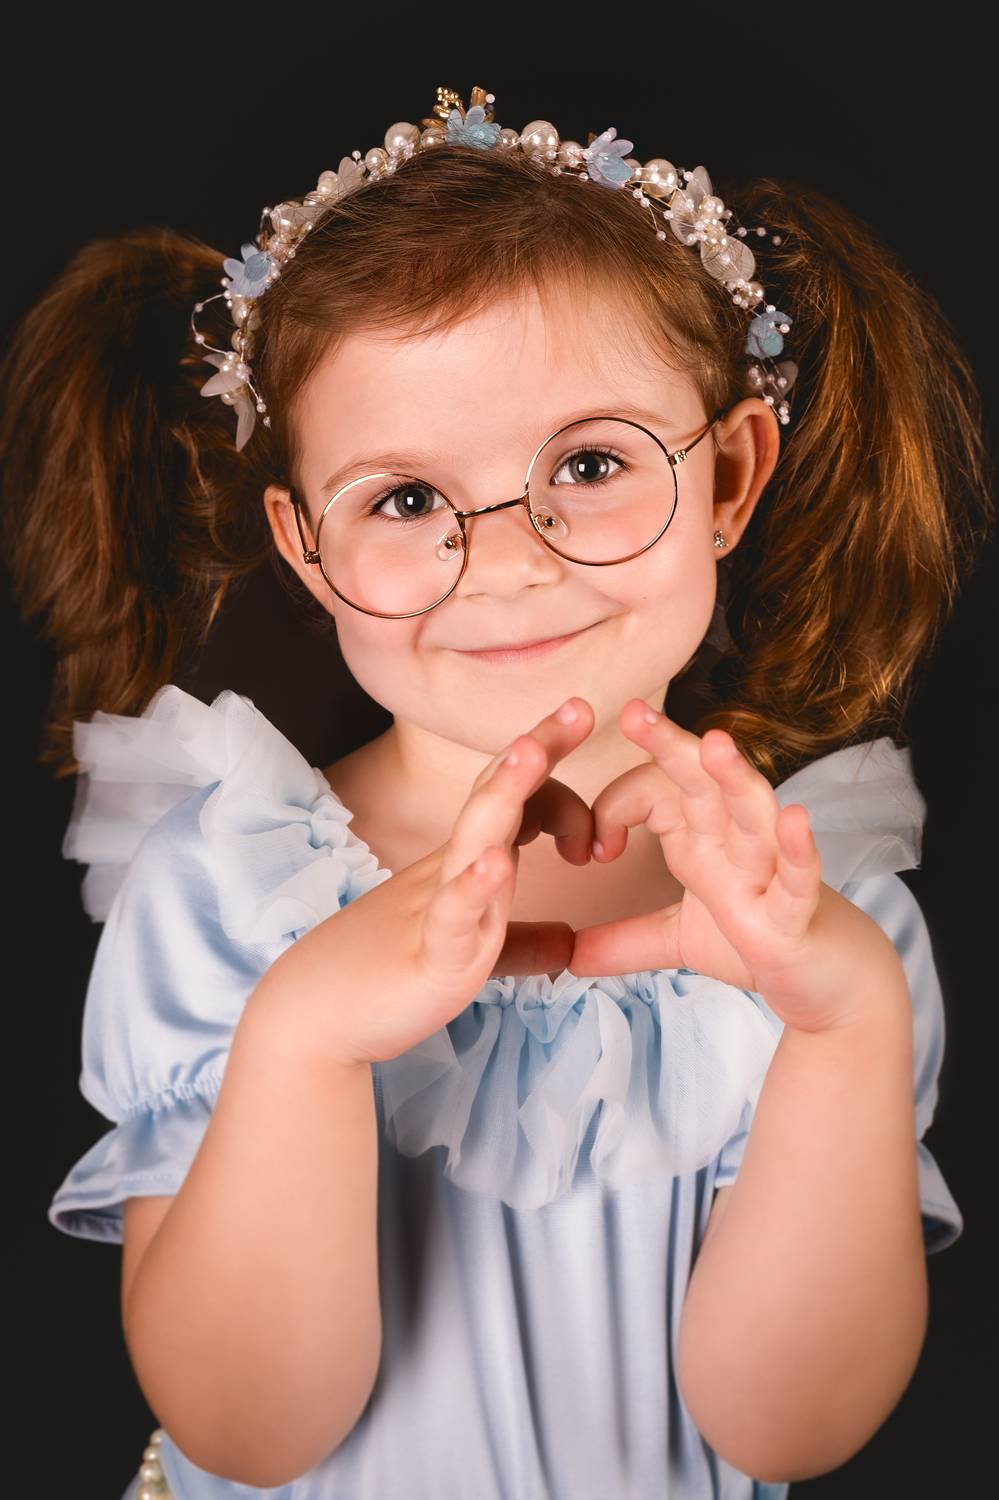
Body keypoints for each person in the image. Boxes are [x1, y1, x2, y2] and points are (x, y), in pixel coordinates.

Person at [1, 82, 989, 1500]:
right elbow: (246, 1429)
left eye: (589, 464)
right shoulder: (229, 890)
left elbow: (787, 1428)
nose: (514, 560)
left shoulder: (816, 918)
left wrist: (843, 1026)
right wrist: (304, 1039)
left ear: (728, 476)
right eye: (406, 500)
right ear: (306, 548)